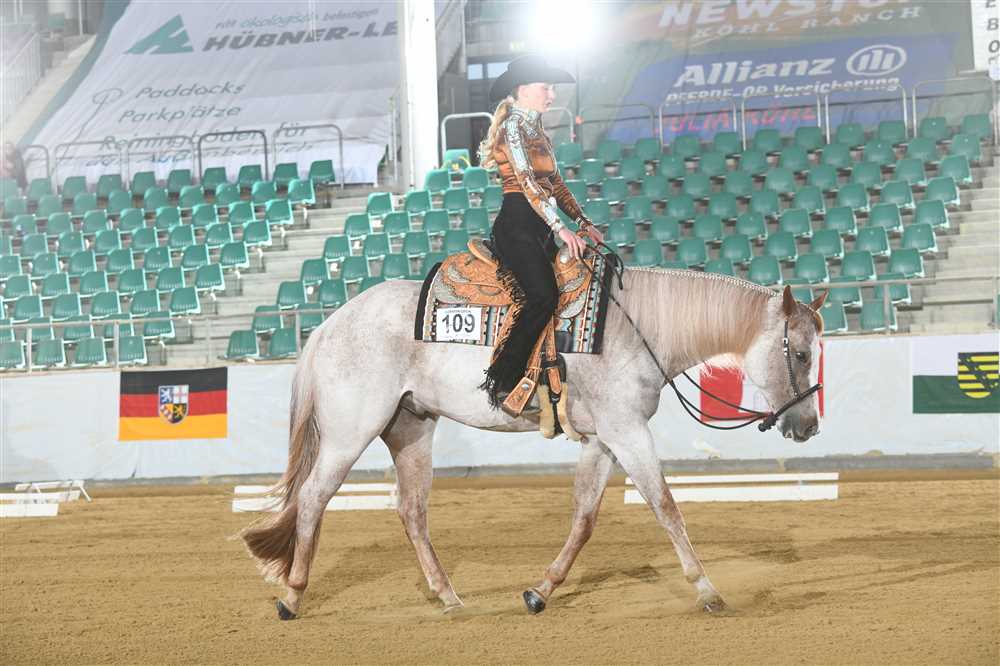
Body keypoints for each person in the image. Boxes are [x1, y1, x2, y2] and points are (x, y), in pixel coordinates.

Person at [476, 55, 604, 409]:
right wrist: (561, 228)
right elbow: (527, 183)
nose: (552, 94)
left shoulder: (537, 132)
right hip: (517, 226)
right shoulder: (512, 129)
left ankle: (549, 370)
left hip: (539, 226)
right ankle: (503, 379)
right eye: (545, 87)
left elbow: (556, 184)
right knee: (542, 296)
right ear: (523, 90)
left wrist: (583, 221)